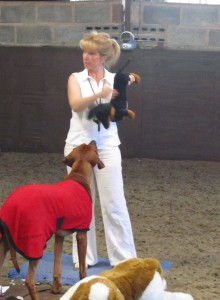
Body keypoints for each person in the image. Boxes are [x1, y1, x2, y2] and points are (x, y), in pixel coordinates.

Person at [64, 31, 137, 268]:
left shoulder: (115, 79)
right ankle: (84, 258)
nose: (86, 57)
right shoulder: (75, 78)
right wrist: (99, 94)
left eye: (92, 53)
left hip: (107, 146)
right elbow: (76, 104)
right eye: (84, 52)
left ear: (103, 57)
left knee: (114, 202)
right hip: (78, 148)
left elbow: (119, 109)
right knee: (81, 203)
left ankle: (123, 258)